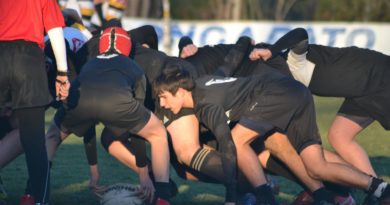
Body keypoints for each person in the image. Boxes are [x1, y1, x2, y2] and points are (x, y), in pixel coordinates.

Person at [153, 61, 390, 204]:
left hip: (275, 94)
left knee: (236, 141)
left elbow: (228, 148)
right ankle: (377, 188)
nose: (162, 104)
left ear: (181, 91)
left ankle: (264, 197)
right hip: (296, 93)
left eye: (163, 97)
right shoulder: (203, 83)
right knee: (315, 164)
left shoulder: (205, 105)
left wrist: (231, 197)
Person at [249, 27, 390, 204]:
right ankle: (378, 191)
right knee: (339, 137)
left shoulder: (294, 60)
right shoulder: (282, 82)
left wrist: (271, 49)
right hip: (360, 90)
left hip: (380, 77)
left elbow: (300, 34)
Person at [51, 26, 171, 205]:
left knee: (51, 137)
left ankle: (32, 195)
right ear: (128, 48)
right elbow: (136, 129)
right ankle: (163, 199)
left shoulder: (89, 64)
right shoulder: (135, 68)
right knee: (158, 134)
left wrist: (94, 173)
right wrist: (143, 174)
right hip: (118, 101)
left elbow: (87, 127)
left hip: (79, 97)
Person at [0, 0, 70, 204]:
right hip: (29, 59)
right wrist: (62, 72)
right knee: (34, 141)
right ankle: (39, 200)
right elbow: (55, 29)